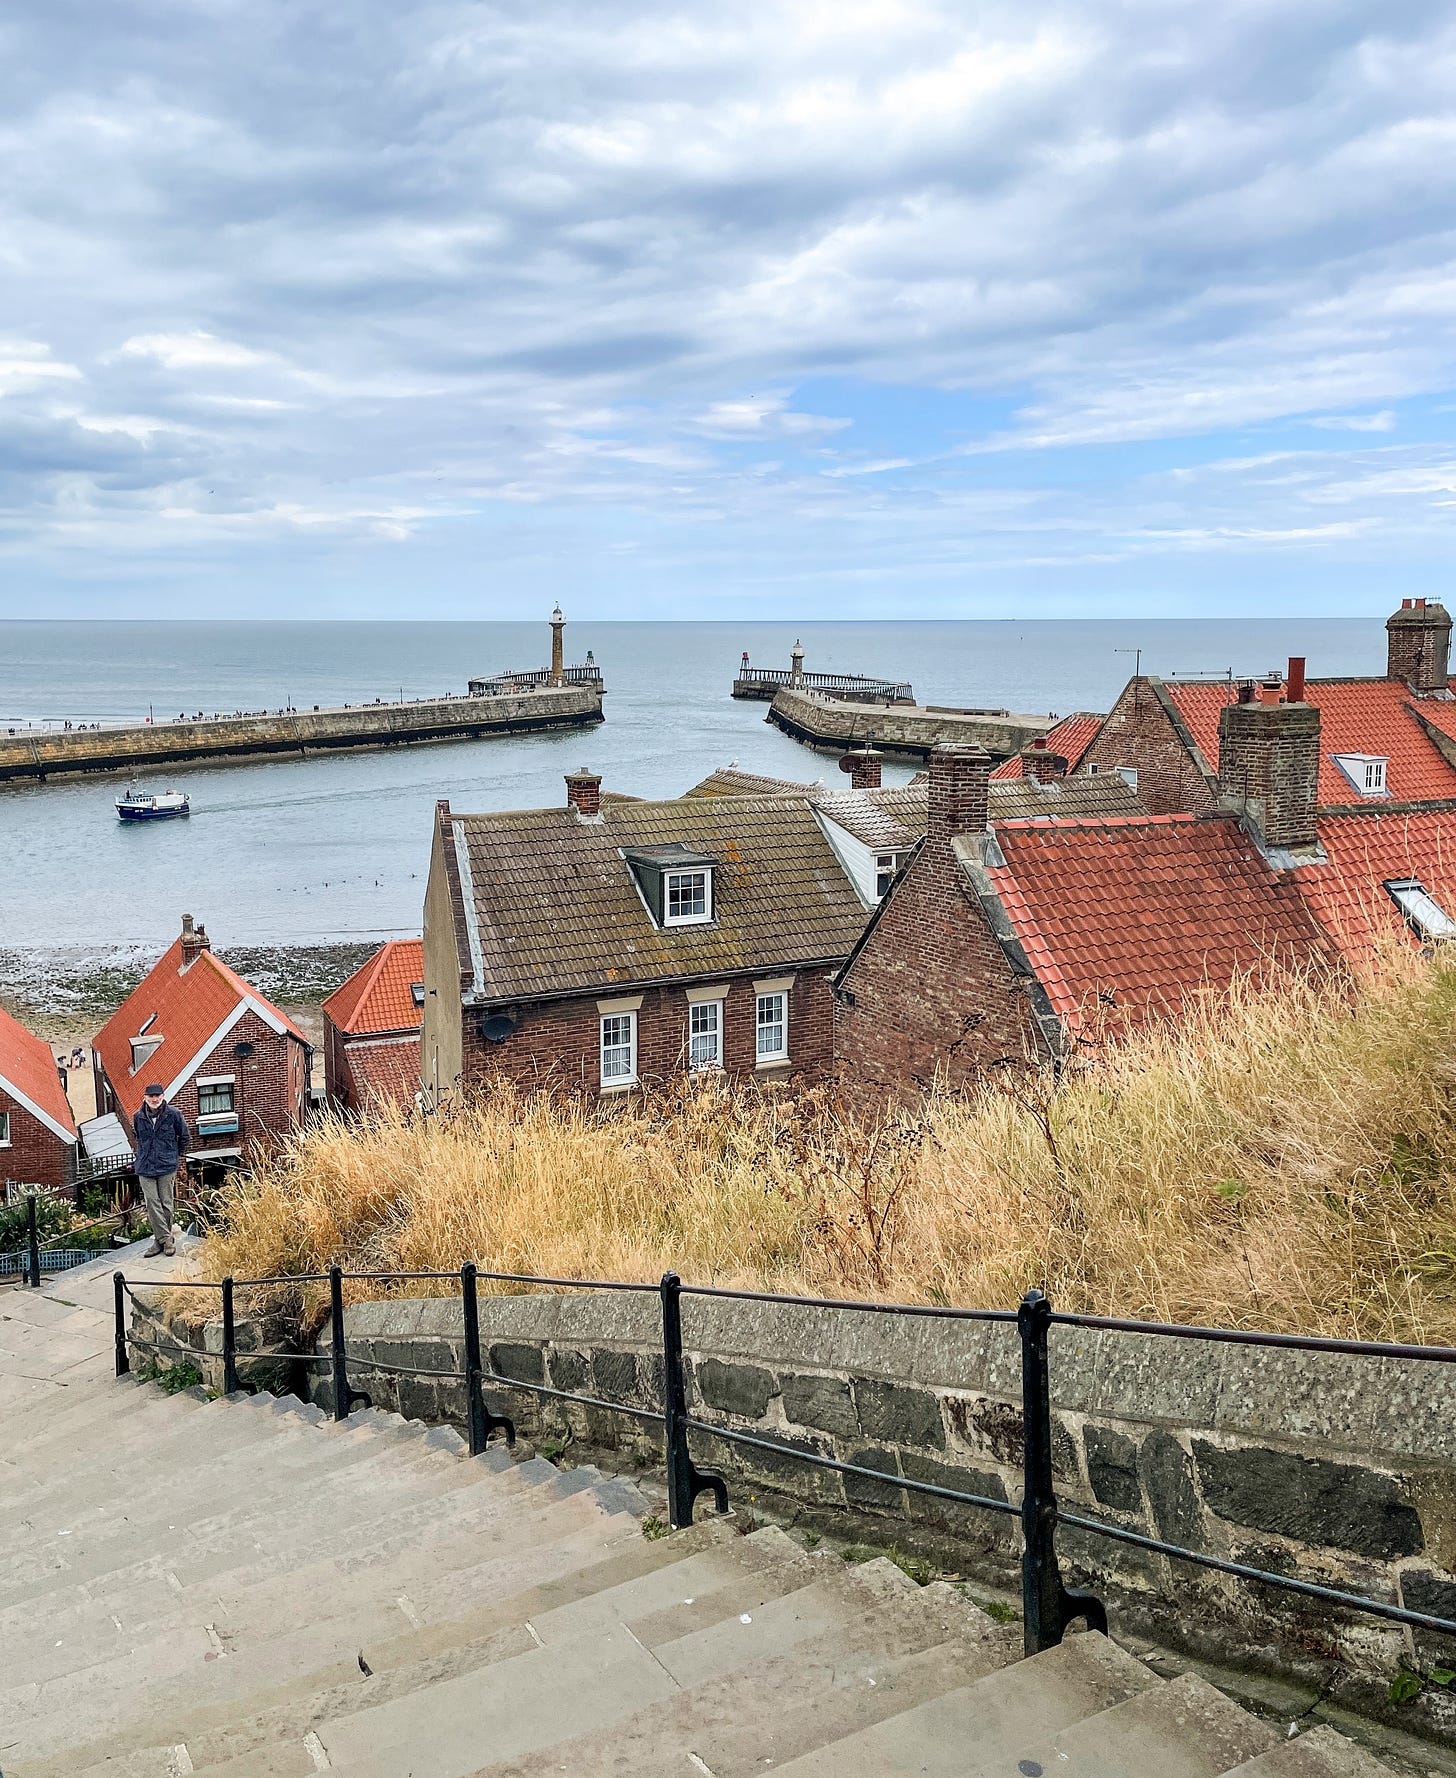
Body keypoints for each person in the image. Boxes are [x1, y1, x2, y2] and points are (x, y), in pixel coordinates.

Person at [134, 1084, 190, 1258]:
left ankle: (158, 1242)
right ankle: (166, 1239)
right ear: (144, 1097)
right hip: (145, 1166)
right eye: (151, 1096)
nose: (155, 1099)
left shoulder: (173, 1114)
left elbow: (185, 1136)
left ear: (163, 1096)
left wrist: (174, 1154)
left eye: (158, 1096)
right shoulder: (138, 1116)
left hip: (167, 1165)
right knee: (152, 1202)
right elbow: (137, 1136)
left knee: (166, 1202)